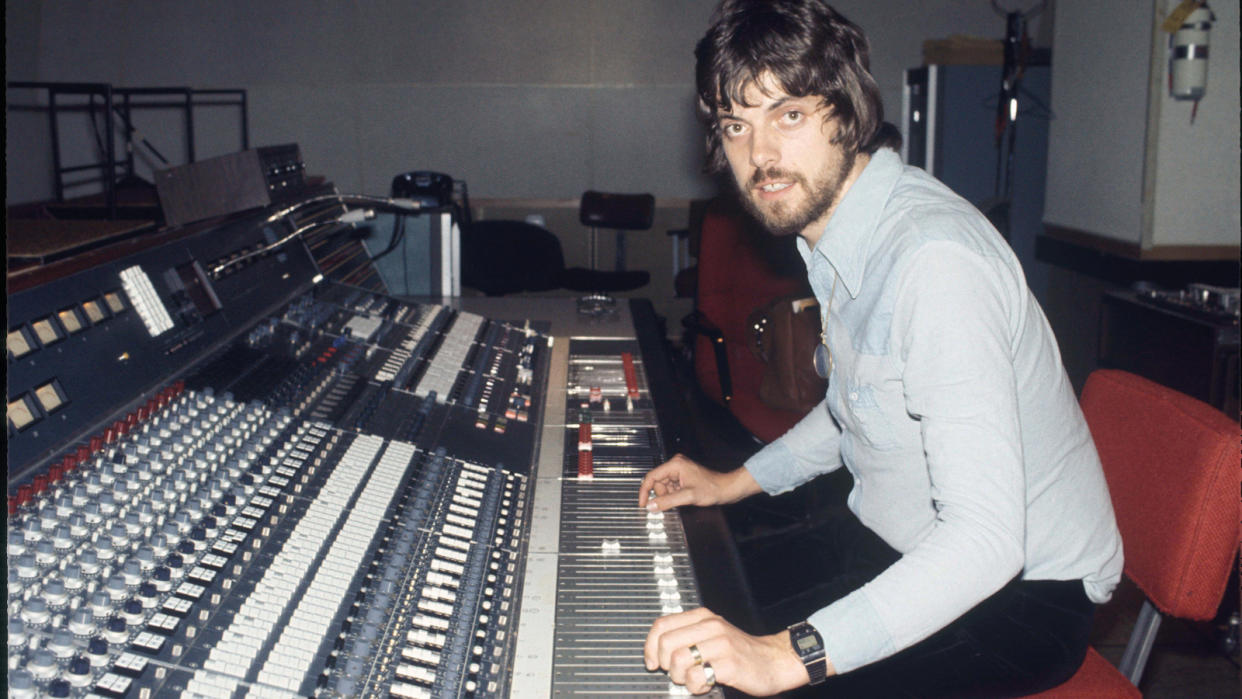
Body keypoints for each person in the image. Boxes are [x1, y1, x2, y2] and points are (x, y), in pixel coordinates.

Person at [639, 1, 1124, 696]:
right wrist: (730, 482)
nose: (762, 157)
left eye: (790, 115)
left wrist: (785, 656)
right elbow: (853, 408)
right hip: (893, 537)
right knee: (699, 589)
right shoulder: (840, 232)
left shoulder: (934, 262)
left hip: (1023, 597)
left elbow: (986, 543)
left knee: (742, 672)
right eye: (736, 126)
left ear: (845, 111)